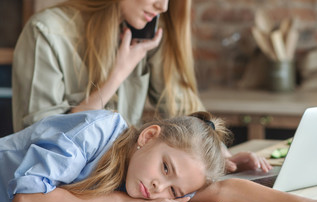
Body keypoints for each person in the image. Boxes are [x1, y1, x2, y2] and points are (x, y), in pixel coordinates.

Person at [0, 110, 317, 202]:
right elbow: (28, 201)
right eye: (165, 168)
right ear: (149, 136)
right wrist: (121, 200)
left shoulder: (147, 175)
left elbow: (225, 191)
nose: (157, 189)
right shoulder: (94, 133)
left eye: (174, 190)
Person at [11, 0, 269, 173]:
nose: (163, 6)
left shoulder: (146, 29)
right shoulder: (46, 32)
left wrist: (219, 154)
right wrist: (118, 73)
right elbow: (41, 142)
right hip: (52, 196)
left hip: (119, 189)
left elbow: (180, 103)